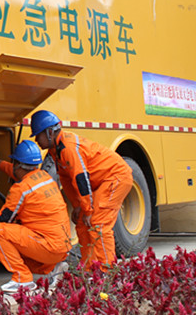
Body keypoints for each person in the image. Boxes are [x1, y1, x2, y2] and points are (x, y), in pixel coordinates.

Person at [29, 109, 133, 271]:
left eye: (38, 135)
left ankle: (106, 272)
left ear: (49, 133)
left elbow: (80, 179)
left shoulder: (68, 148)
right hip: (102, 181)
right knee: (82, 223)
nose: (36, 140)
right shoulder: (56, 150)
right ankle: (89, 269)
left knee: (98, 223)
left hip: (116, 177)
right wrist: (78, 206)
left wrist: (87, 209)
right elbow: (66, 180)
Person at [0, 139, 72, 293]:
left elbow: (4, 218)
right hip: (61, 247)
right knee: (20, 249)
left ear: (18, 164)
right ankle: (54, 267)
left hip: (48, 247)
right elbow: (16, 172)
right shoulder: (44, 176)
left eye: (15, 163)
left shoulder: (21, 189)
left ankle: (22, 279)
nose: (13, 166)